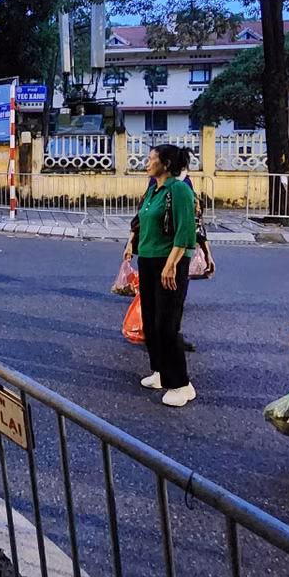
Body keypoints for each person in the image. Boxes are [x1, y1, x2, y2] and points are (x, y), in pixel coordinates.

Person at [122, 144, 198, 406]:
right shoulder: (153, 191)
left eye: (151, 159)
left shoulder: (179, 190)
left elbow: (187, 232)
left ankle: (181, 384)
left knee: (167, 324)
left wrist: (171, 264)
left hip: (170, 263)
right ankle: (161, 372)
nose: (146, 163)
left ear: (165, 164)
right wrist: (131, 244)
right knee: (151, 323)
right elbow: (142, 221)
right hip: (149, 260)